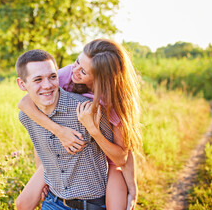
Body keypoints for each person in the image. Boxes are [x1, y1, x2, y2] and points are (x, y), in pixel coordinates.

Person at [17, 39, 142, 210]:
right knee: (23, 203)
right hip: (72, 147)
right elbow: (25, 102)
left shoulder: (115, 103)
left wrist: (93, 129)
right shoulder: (68, 74)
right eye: (77, 61)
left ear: (100, 79)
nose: (74, 70)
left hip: (110, 154)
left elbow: (122, 156)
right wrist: (60, 131)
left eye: (83, 71)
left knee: (120, 203)